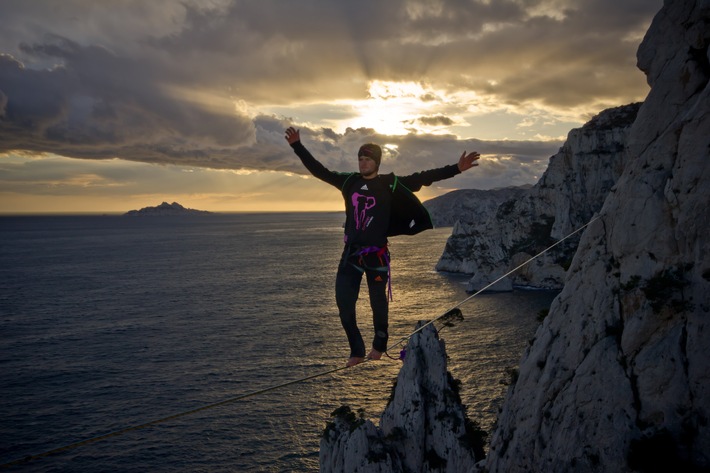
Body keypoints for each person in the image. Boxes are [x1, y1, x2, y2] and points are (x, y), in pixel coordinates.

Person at [285, 126, 480, 367]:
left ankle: (379, 346)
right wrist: (297, 146)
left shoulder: (390, 184)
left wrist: (456, 169)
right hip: (351, 255)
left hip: (377, 256)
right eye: (360, 158)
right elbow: (319, 171)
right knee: (344, 304)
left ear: (376, 161)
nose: (363, 162)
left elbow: (423, 176)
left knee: (378, 304)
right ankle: (356, 350)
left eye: (367, 158)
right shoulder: (348, 182)